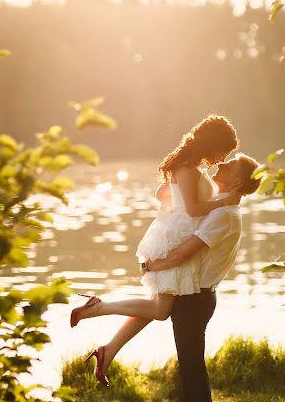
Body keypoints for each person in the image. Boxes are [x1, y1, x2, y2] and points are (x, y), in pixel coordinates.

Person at [71, 151, 260, 402]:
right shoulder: (220, 207)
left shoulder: (224, 215)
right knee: (177, 345)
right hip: (193, 295)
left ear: (237, 180)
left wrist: (151, 264)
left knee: (192, 373)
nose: (219, 165)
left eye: (228, 165)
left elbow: (186, 252)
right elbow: (171, 201)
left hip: (196, 299)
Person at [70, 114, 239, 357]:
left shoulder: (187, 166)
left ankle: (108, 349)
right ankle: (98, 308)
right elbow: (193, 209)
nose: (223, 158)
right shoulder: (188, 168)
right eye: (224, 151)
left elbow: (162, 193)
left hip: (174, 234)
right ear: (213, 143)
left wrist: (180, 207)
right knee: (160, 310)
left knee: (155, 307)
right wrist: (224, 202)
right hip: (176, 240)